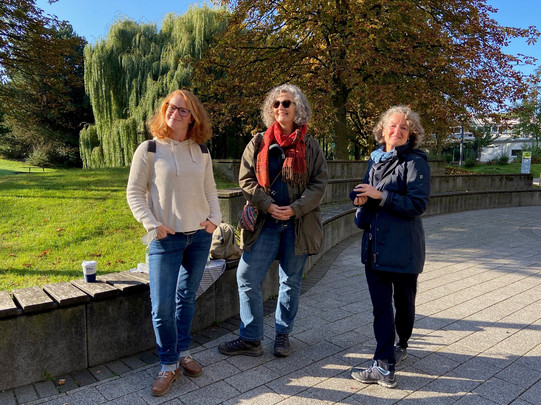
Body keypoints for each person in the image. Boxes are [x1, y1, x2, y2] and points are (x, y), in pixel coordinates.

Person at [218, 84, 328, 358]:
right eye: (276, 104)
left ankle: (282, 335)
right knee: (246, 276)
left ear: (298, 108)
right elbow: (246, 179)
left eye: (287, 103)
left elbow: (319, 184)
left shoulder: (310, 145)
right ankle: (251, 338)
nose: (281, 108)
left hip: (297, 224)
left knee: (290, 281)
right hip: (265, 223)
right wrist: (268, 205)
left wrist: (294, 209)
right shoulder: (258, 142)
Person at [126, 90, 221, 396]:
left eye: (184, 111)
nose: (176, 114)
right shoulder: (150, 149)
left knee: (187, 298)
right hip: (165, 238)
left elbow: (211, 190)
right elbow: (134, 193)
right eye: (172, 107)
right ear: (164, 110)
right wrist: (153, 224)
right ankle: (168, 364)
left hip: (199, 237)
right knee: (161, 307)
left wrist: (214, 221)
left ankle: (182, 352)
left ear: (193, 117)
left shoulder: (201, 151)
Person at [349, 105, 430, 388]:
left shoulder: (415, 162)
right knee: (381, 308)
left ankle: (402, 344)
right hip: (375, 246)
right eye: (392, 126)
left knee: (404, 305)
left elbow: (417, 204)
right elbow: (366, 191)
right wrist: (360, 199)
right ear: (382, 130)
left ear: (411, 135)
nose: (396, 131)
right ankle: (383, 365)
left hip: (404, 249)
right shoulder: (374, 160)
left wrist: (380, 196)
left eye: (403, 128)